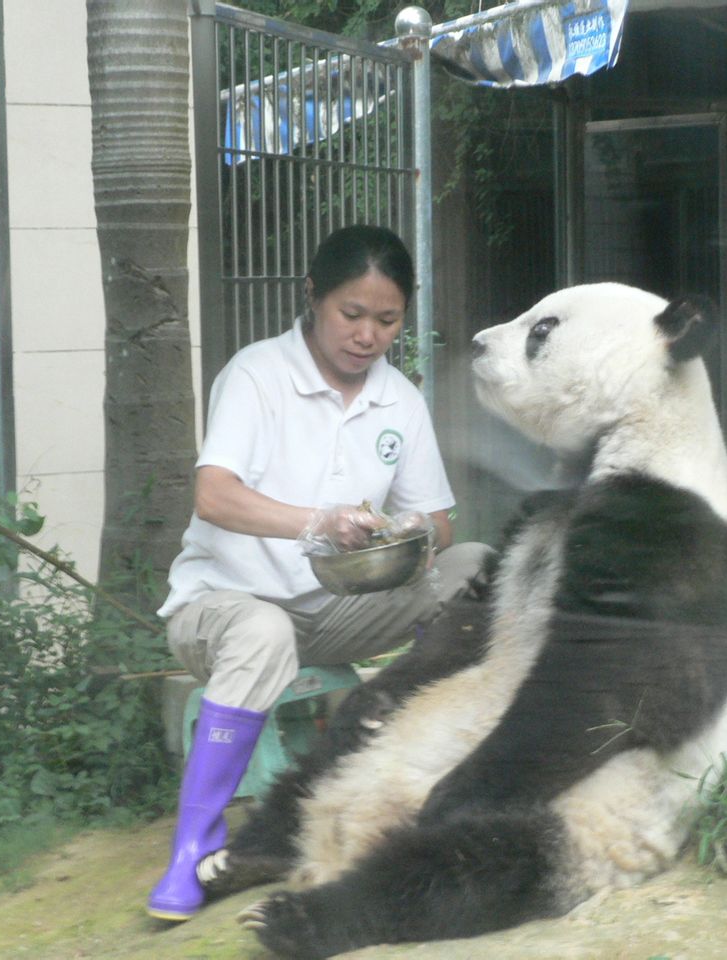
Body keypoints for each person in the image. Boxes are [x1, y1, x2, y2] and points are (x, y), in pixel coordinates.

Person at [147, 224, 489, 921]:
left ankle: (426, 776)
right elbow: (214, 495)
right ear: (312, 298)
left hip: (336, 610)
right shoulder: (256, 376)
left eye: (386, 320)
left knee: (475, 569)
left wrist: (412, 532)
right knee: (264, 630)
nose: (367, 335)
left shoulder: (399, 399)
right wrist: (317, 521)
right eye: (351, 314)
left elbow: (440, 519)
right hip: (223, 609)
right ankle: (195, 844)